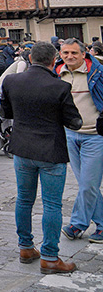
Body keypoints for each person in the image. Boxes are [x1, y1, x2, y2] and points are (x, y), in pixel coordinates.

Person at [1, 41, 82, 274]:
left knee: (24, 200)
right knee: (52, 204)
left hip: (23, 148)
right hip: (51, 150)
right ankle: (49, 256)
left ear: (30, 58)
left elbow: (6, 112)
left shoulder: (12, 81)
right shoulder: (60, 87)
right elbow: (73, 121)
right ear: (53, 60)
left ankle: (25, 247)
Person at [56, 39, 103, 243]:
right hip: (70, 134)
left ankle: (77, 224)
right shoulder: (57, 72)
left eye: (74, 53)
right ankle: (101, 225)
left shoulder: (98, 72)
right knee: (87, 184)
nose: (69, 56)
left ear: (83, 54)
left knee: (88, 184)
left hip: (95, 135)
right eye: (65, 53)